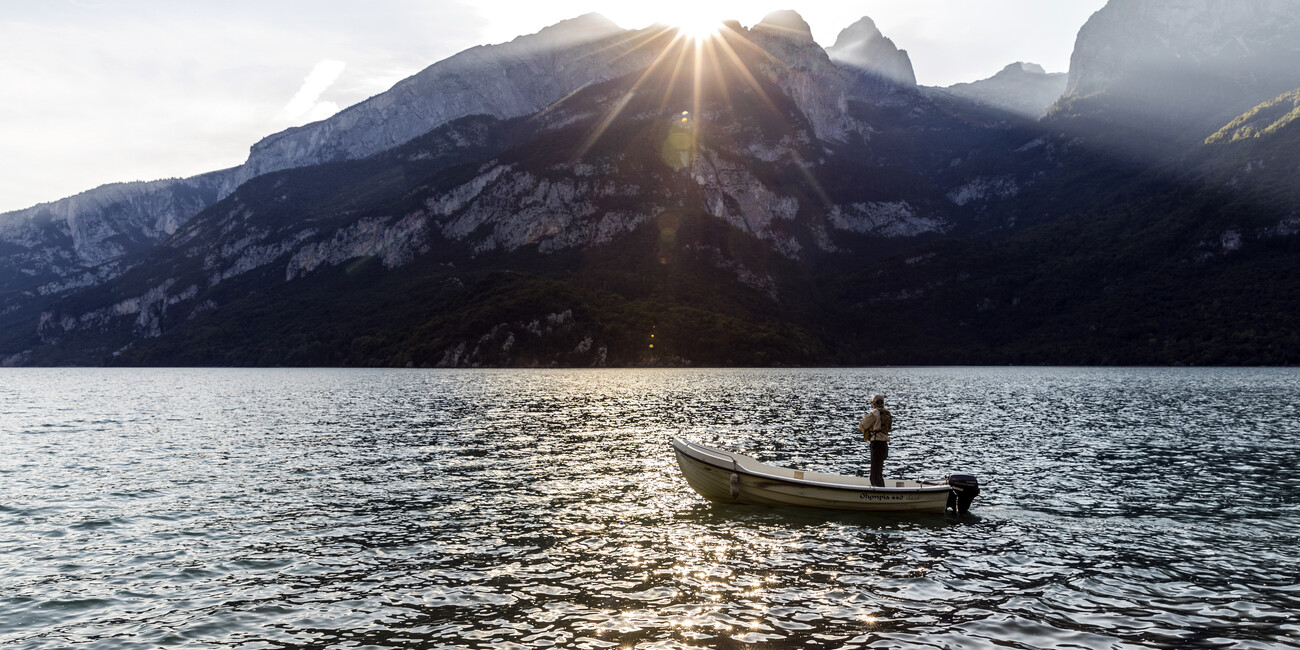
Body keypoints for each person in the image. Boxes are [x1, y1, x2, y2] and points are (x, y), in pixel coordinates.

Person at [858, 394, 892, 487]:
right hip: (884, 446)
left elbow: (862, 426)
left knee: (874, 476)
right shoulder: (887, 413)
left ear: (874, 403)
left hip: (876, 445)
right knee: (878, 473)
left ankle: (879, 496)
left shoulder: (874, 413)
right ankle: (881, 493)